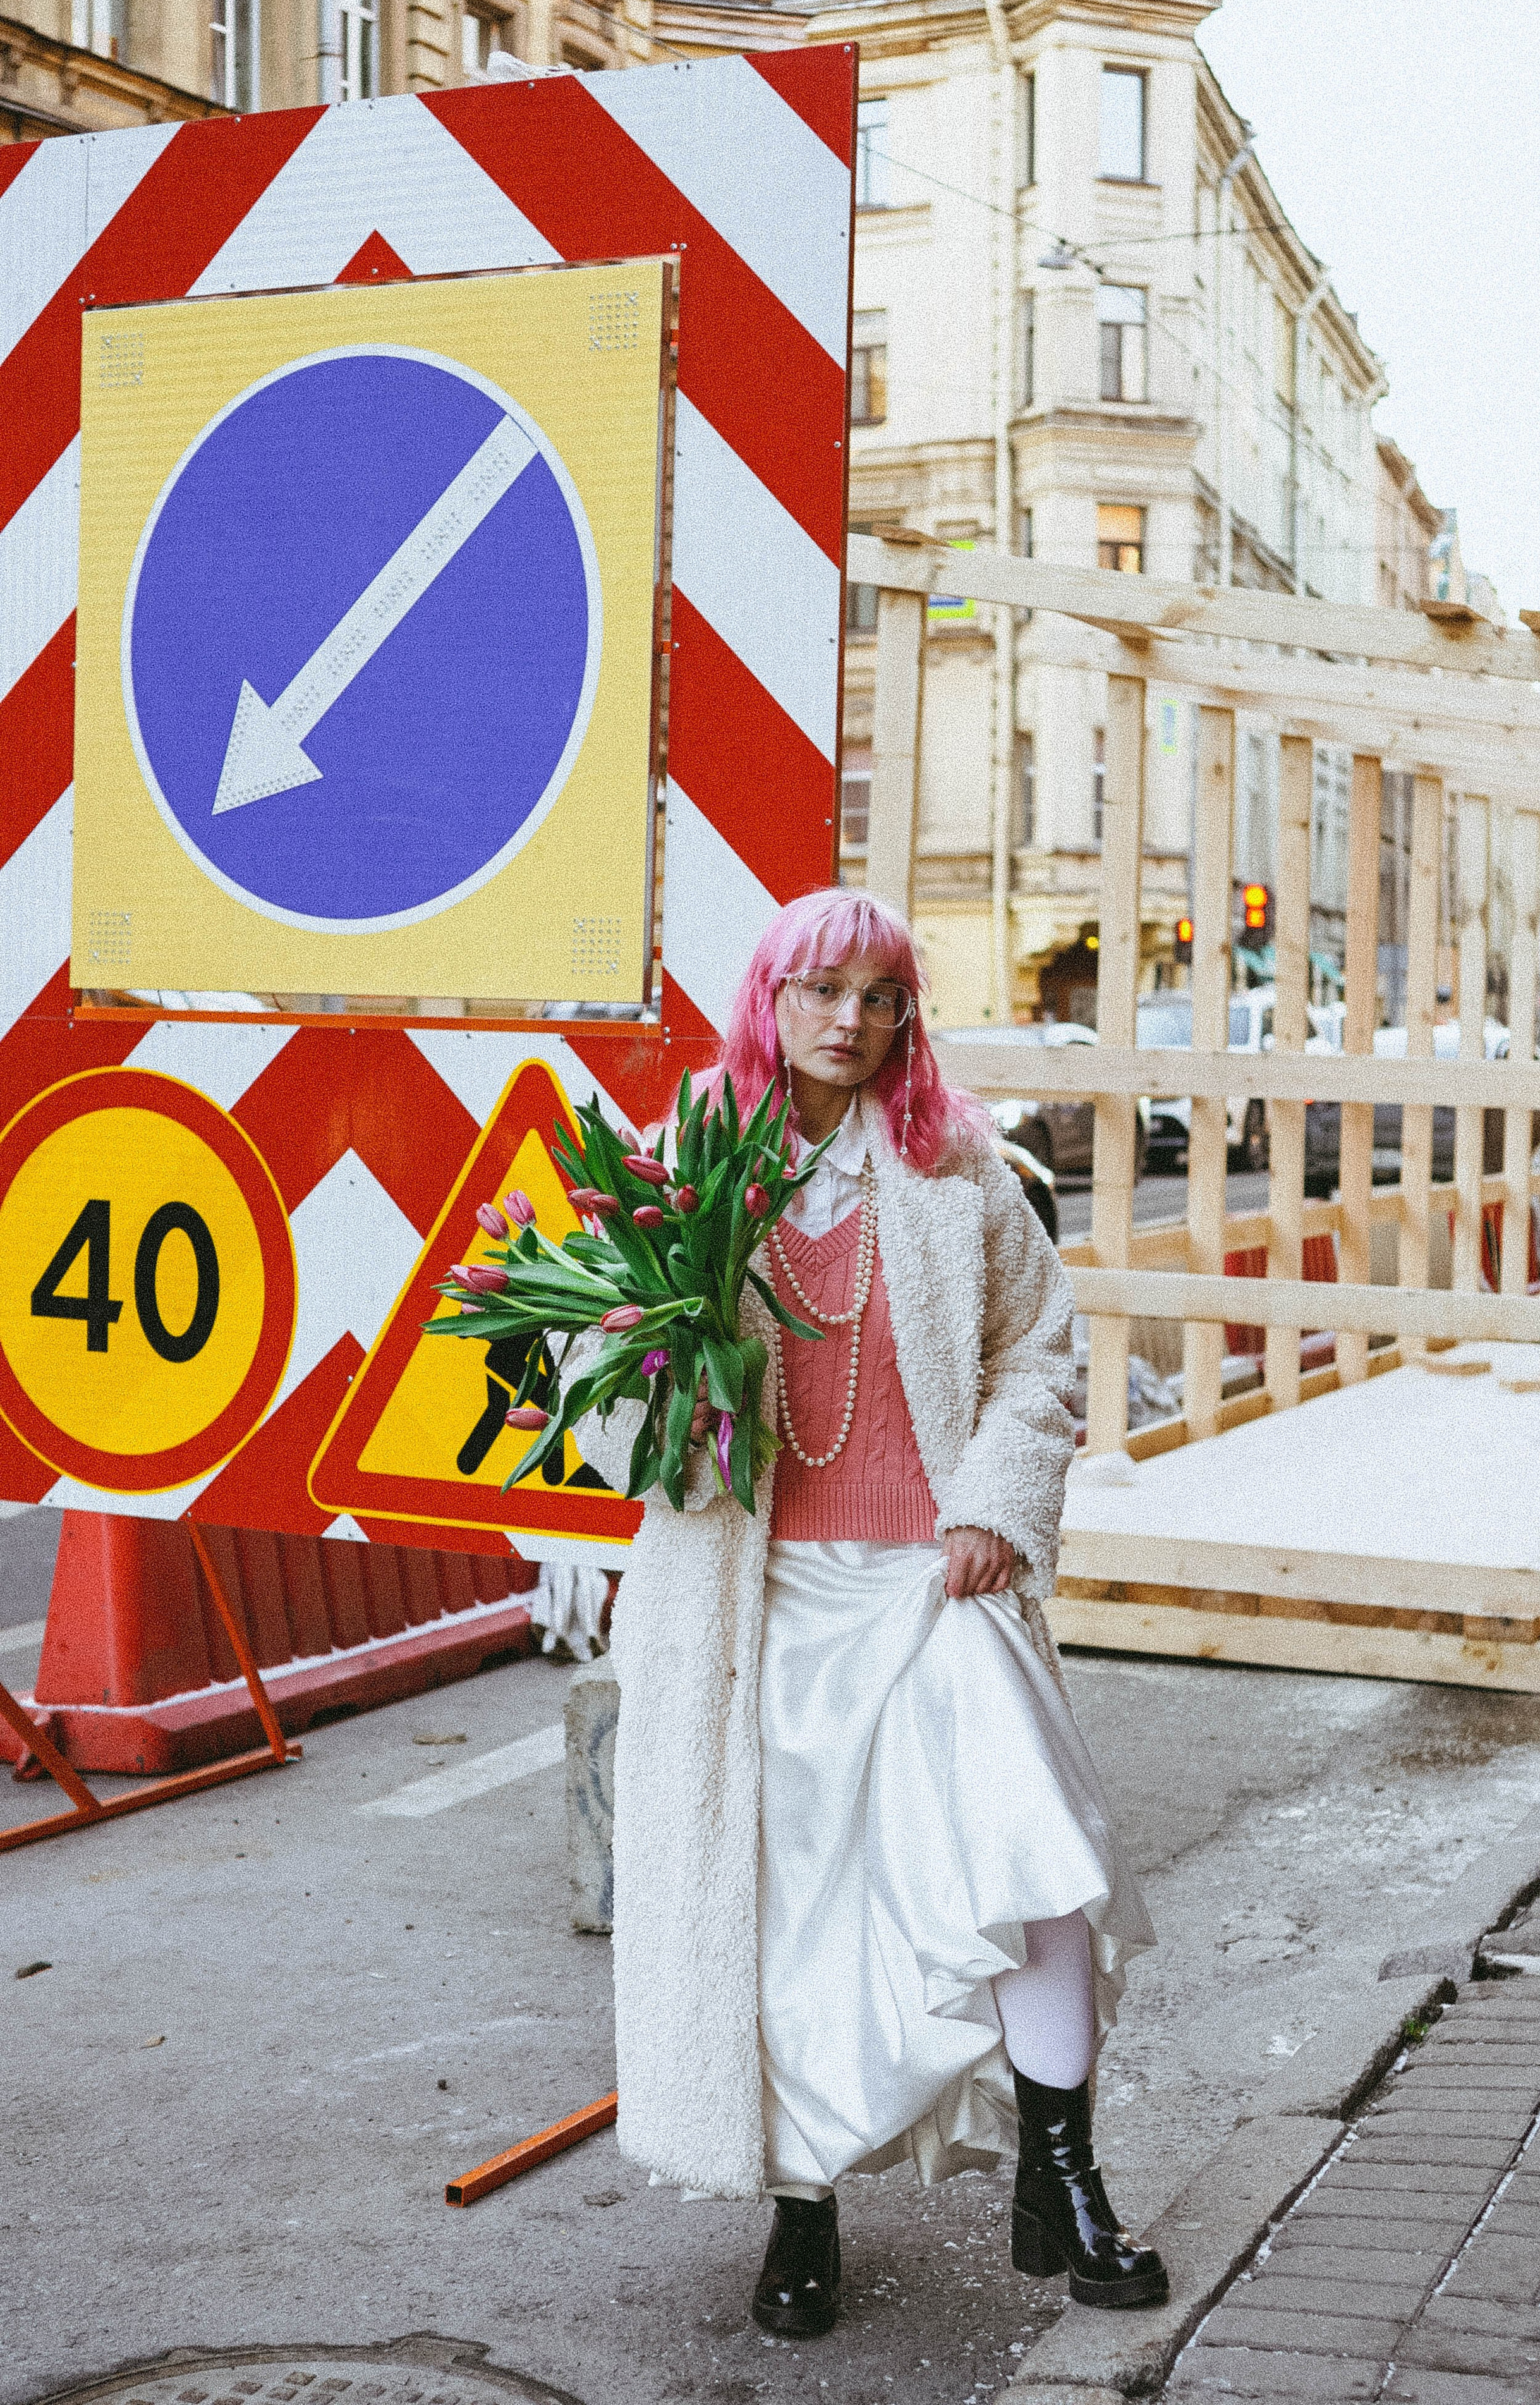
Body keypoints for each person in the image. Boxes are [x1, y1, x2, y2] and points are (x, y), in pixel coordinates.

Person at [571, 887, 1164, 2337]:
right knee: (779, 1921)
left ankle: (1066, 2180)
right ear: (769, 1001)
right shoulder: (686, 1163)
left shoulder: (956, 1162)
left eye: (879, 996)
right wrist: (655, 1381)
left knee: (1037, 1864)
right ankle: (802, 2211)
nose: (849, 1020)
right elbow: (603, 1376)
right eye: (822, 991)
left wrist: (992, 1507)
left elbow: (1039, 1350)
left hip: (933, 1583)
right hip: (754, 1609)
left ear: (906, 1016)